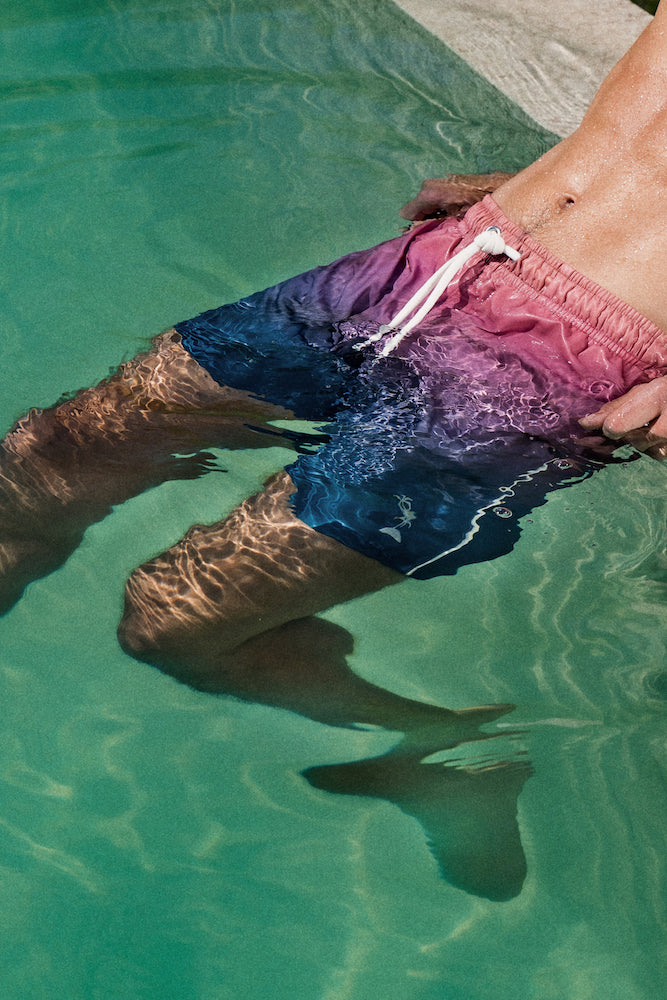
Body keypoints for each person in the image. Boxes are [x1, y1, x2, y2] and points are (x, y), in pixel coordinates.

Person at [1, 1, 666, 900]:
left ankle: (441, 754)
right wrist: (564, 189)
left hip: (570, 357)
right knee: (46, 457)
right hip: (455, 254)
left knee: (175, 619)